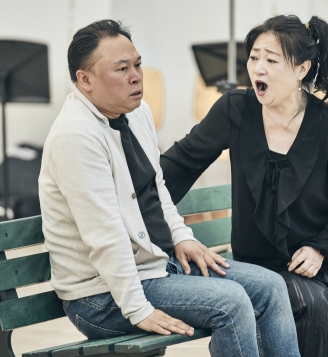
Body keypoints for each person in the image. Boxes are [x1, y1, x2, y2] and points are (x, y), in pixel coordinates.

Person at [38, 19, 301, 357]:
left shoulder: (137, 113)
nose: (136, 76)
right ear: (84, 80)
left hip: (157, 269)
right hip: (101, 297)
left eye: (138, 65)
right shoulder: (76, 137)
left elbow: (156, 190)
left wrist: (182, 237)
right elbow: (105, 236)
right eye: (122, 69)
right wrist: (138, 309)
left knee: (270, 286)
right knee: (232, 303)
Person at [160, 15, 328, 357]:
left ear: (301, 69)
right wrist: (137, 201)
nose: (258, 69)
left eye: (271, 60)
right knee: (310, 302)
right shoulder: (235, 110)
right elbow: (178, 165)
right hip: (261, 269)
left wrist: (320, 248)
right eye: (254, 58)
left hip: (326, 262)